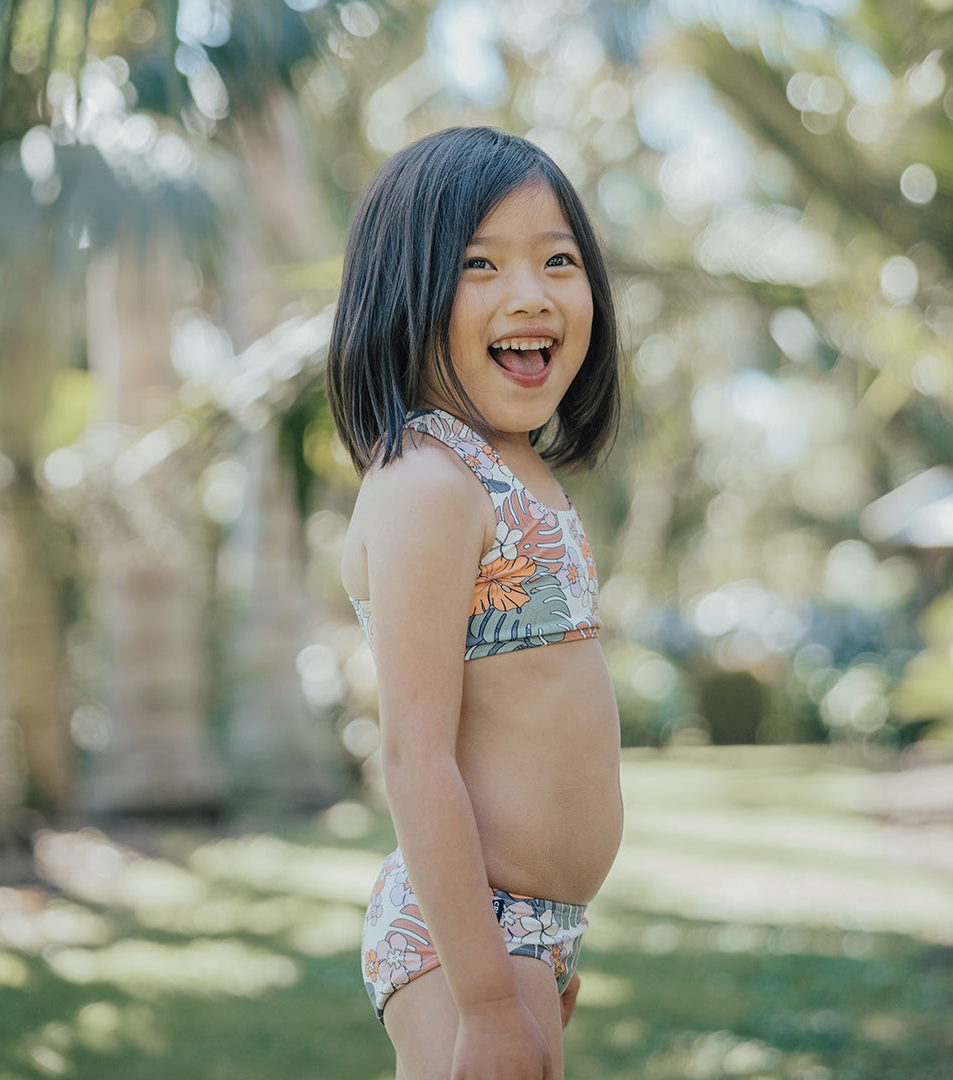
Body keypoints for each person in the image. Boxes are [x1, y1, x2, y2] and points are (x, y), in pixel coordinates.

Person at [327, 126, 623, 1080]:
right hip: (470, 930)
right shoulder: (427, 481)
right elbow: (414, 757)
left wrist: (545, 942)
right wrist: (488, 995)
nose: (530, 293)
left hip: (528, 928)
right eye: (480, 264)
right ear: (401, 292)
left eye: (559, 260)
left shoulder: (515, 468)